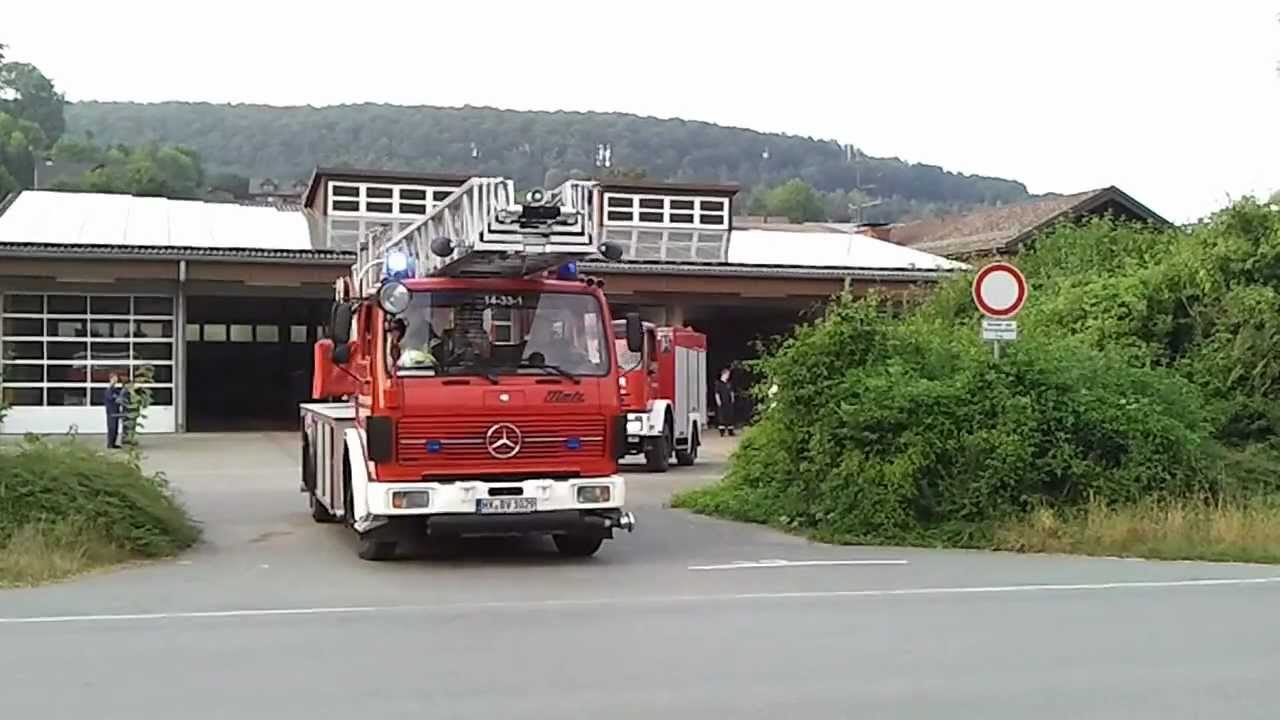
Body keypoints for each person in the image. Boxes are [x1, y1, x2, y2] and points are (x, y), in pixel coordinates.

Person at [105, 373, 125, 449]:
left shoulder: (114, 389)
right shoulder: (109, 390)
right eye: (114, 378)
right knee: (112, 428)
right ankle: (110, 444)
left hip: (116, 412)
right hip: (111, 412)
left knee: (115, 429)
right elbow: (114, 399)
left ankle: (113, 443)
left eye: (116, 378)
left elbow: (120, 396)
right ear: (111, 379)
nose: (116, 380)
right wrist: (118, 399)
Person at [714, 367, 736, 437]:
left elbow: (731, 392)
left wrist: (732, 398)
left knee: (730, 416)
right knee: (722, 417)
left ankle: (730, 431)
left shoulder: (729, 383)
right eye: (727, 374)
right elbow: (716, 393)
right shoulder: (718, 383)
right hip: (722, 402)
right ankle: (722, 432)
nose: (728, 376)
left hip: (729, 403)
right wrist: (718, 401)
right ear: (723, 374)